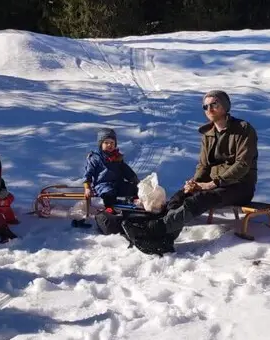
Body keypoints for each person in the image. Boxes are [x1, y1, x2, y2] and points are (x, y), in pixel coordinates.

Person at [161, 90, 258, 234]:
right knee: (179, 196)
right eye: (205, 107)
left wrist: (213, 183)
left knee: (201, 198)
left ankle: (163, 230)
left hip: (240, 186)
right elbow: (203, 165)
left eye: (214, 104)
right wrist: (194, 183)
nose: (209, 109)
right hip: (213, 186)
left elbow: (243, 164)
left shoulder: (243, 129)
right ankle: (160, 226)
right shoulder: (208, 134)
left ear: (225, 107)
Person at [83, 128, 140, 208]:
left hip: (118, 184)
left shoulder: (117, 157)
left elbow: (125, 170)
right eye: (106, 143)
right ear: (101, 144)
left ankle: (134, 203)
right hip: (102, 185)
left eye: (112, 143)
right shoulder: (95, 158)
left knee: (134, 189)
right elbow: (88, 173)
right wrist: (87, 187)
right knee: (109, 194)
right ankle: (110, 208)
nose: (109, 145)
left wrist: (134, 180)